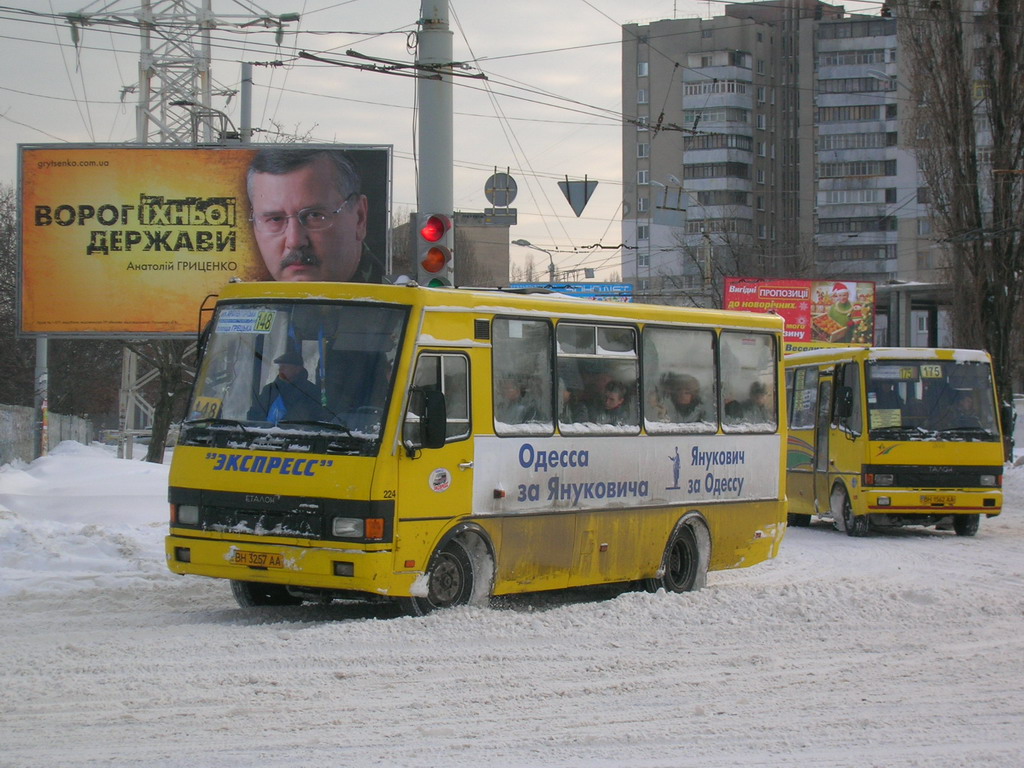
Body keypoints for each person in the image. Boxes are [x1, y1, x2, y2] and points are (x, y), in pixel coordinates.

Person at [247, 148, 383, 283]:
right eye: (275, 219)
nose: (294, 241)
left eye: (314, 216)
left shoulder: (397, 302)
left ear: (360, 218)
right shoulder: (237, 301)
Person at [247, 350, 330, 423]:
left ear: (297, 369)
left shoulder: (311, 391)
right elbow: (255, 414)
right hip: (265, 437)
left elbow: (317, 421)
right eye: (280, 366)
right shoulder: (270, 390)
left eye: (284, 367)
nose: (280, 369)